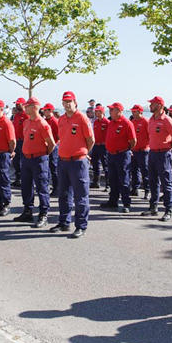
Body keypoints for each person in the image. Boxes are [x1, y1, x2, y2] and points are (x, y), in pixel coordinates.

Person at [50, 91, 94, 238]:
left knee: (80, 195)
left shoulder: (81, 118)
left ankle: (81, 225)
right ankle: (64, 222)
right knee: (63, 194)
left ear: (75, 102)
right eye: (64, 102)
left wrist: (83, 152)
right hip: (63, 161)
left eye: (70, 101)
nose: (67, 104)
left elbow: (91, 140)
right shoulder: (61, 119)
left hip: (78, 161)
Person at [15, 97, 55, 227]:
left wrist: (43, 155)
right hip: (26, 158)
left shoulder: (42, 124)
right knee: (26, 186)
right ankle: (27, 211)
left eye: (27, 106)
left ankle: (43, 214)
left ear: (34, 107)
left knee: (42, 187)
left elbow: (51, 144)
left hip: (39, 159)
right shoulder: (26, 122)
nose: (25, 108)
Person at [141, 96, 172, 222]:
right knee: (153, 181)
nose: (150, 106)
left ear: (160, 105)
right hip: (152, 153)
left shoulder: (167, 120)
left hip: (163, 154)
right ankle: (153, 207)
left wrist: (168, 148)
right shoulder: (151, 119)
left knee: (166, 183)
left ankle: (168, 209)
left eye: (152, 104)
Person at [100, 102, 136, 213]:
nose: (110, 111)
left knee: (124, 179)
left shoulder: (127, 123)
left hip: (122, 154)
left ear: (119, 111)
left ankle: (126, 203)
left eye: (112, 109)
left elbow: (133, 141)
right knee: (113, 179)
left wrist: (126, 149)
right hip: (111, 154)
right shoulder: (111, 123)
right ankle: (113, 201)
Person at [129, 104, 149, 199]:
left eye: (135, 111)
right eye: (132, 111)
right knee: (134, 171)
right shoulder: (132, 122)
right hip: (134, 150)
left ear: (140, 112)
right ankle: (135, 189)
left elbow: (150, 135)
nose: (133, 113)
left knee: (145, 171)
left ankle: (147, 190)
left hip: (143, 150)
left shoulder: (145, 121)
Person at [90, 105, 109, 189]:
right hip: (96, 145)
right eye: (96, 111)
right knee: (95, 164)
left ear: (102, 112)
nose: (97, 113)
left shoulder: (107, 122)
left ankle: (108, 184)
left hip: (104, 146)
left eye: (98, 111)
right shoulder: (96, 122)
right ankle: (96, 182)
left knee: (105, 165)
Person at [42, 103, 60, 194]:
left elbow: (59, 136)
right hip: (45, 147)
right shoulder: (45, 121)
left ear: (50, 111)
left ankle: (56, 188)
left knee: (53, 168)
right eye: (44, 110)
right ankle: (47, 186)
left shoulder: (55, 121)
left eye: (45, 110)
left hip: (53, 147)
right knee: (46, 168)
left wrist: (54, 145)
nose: (44, 112)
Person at [11, 98, 28, 187]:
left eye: (18, 104)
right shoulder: (16, 115)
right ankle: (18, 178)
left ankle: (23, 179)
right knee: (16, 161)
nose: (17, 106)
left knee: (23, 161)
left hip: (23, 141)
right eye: (16, 104)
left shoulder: (27, 115)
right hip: (16, 140)